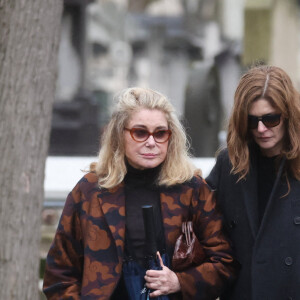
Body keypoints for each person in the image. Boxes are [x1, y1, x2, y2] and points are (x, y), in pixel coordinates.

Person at [43, 87, 237, 299]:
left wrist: (180, 281)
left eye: (160, 133)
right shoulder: (90, 191)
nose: (151, 142)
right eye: (140, 132)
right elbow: (59, 274)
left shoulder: (191, 189)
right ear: (120, 134)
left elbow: (225, 263)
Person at [206, 65, 300, 300]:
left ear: (288, 115)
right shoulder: (230, 164)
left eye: (270, 119)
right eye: (252, 120)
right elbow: (198, 221)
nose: (261, 129)